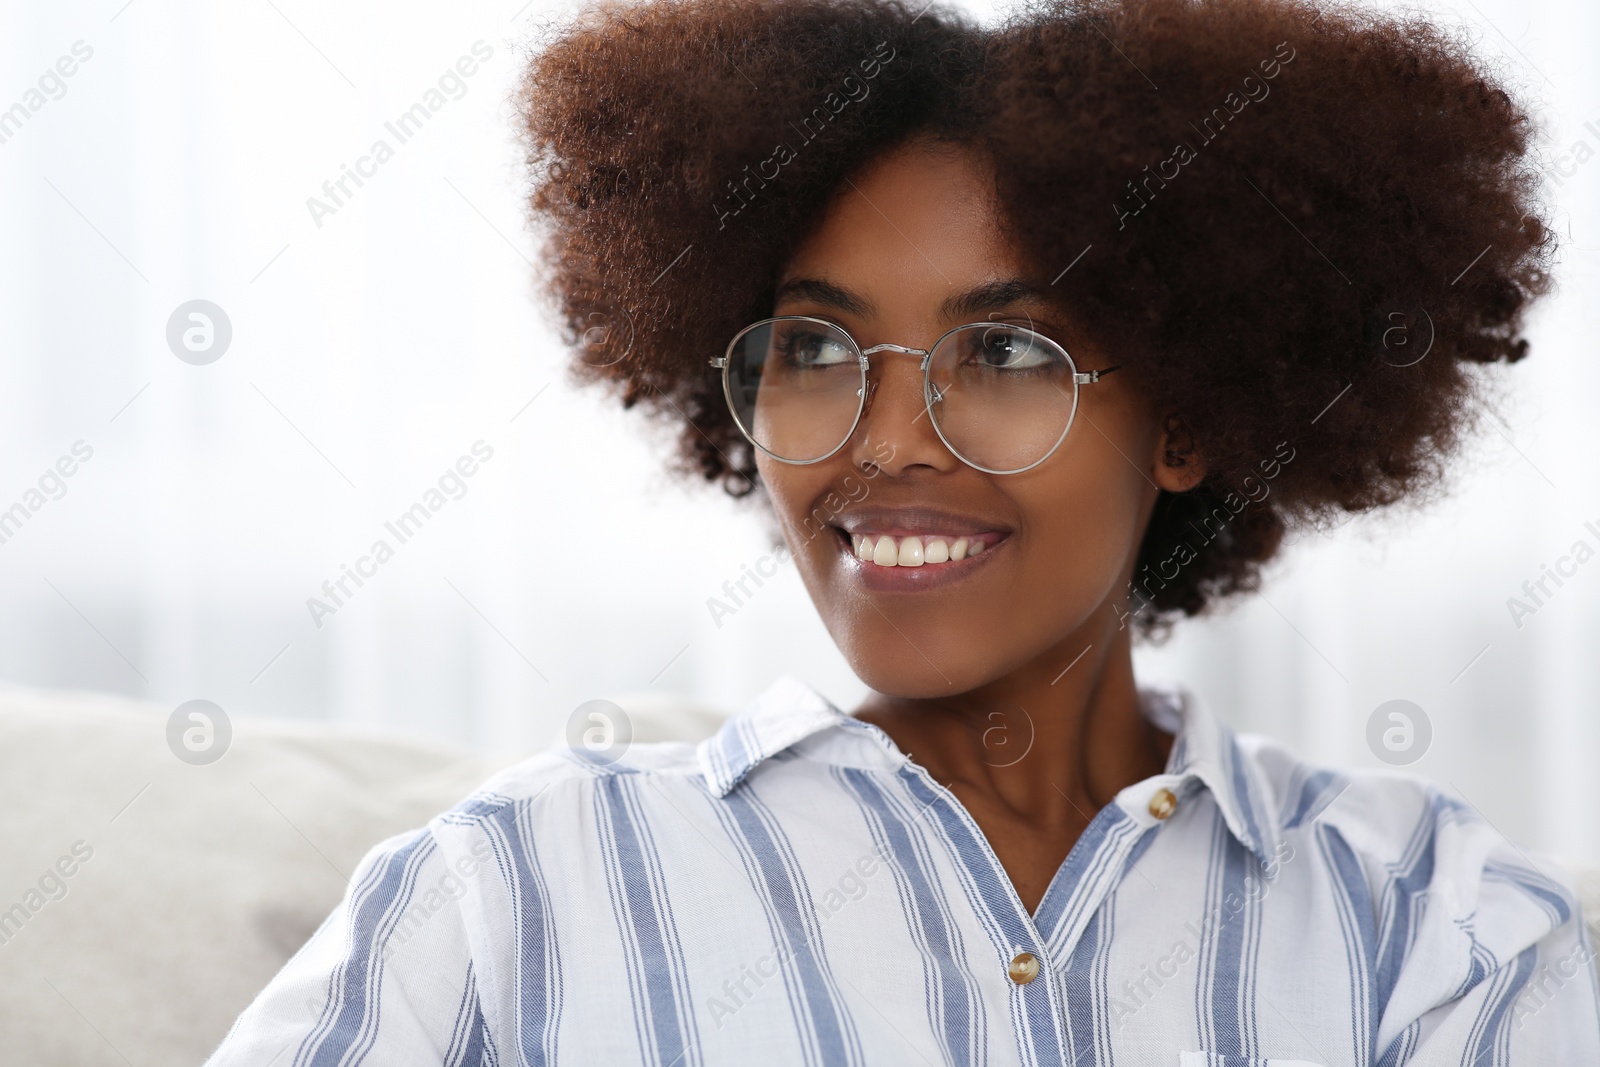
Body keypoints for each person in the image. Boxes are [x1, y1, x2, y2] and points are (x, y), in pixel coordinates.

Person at [204, 0, 1600, 1062]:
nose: (883, 441)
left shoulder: (1440, 929)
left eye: (1004, 353)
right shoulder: (517, 891)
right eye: (816, 349)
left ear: (1189, 417)